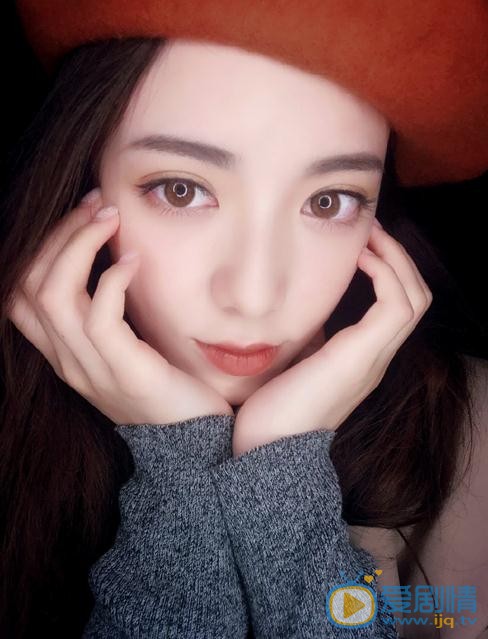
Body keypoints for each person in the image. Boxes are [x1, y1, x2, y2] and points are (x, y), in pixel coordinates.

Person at [1, 2, 487, 638]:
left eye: (329, 201)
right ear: (84, 186)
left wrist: (270, 467)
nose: (254, 297)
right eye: (182, 190)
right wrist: (182, 467)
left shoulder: (476, 438)